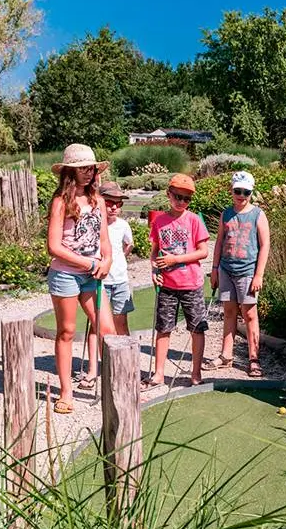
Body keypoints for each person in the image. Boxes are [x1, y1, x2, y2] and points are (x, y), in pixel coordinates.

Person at [46, 144, 116, 414]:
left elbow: (103, 239)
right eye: (83, 169)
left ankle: (113, 385)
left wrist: (106, 260)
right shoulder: (61, 202)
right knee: (67, 331)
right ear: (70, 172)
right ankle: (66, 392)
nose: (89, 173)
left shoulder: (98, 200)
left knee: (107, 330)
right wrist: (88, 262)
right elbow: (54, 245)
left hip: (92, 274)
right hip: (66, 273)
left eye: (92, 168)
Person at [146, 174, 210, 388]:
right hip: (167, 285)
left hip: (191, 283)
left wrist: (176, 259)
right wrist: (154, 269)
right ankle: (159, 373)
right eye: (178, 197)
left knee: (197, 328)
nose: (181, 202)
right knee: (163, 328)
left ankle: (196, 372)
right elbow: (155, 252)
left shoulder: (193, 220)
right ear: (169, 195)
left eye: (186, 199)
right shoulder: (159, 221)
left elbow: (203, 252)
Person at [207, 171, 270, 377]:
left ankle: (253, 358)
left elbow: (265, 244)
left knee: (250, 314)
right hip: (226, 269)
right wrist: (215, 269)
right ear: (231, 190)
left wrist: (259, 274)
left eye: (246, 192)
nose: (241, 195)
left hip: (247, 271)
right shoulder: (226, 214)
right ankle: (226, 355)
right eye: (238, 191)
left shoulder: (258, 214)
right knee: (229, 312)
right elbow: (219, 242)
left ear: (251, 192)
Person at [85, 181, 134, 362]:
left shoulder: (123, 225)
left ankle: (126, 361)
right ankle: (94, 367)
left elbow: (129, 243)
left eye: (119, 203)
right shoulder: (93, 223)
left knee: (121, 322)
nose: (114, 207)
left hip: (120, 280)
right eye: (109, 202)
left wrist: (120, 257)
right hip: (100, 281)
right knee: (95, 324)